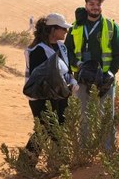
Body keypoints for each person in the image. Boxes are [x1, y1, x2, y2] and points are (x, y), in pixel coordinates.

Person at [65, 0, 119, 148]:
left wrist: (110, 73)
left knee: (106, 117)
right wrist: (78, 65)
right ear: (85, 5)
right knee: (83, 117)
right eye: (91, 4)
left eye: (98, 4)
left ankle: (109, 153)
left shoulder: (112, 27)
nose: (95, 7)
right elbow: (67, 51)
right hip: (81, 79)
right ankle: (84, 152)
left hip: (105, 80)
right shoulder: (75, 28)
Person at [21, 13, 78, 163]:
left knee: (59, 126)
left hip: (60, 94)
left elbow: (66, 69)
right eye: (63, 29)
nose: (66, 32)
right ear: (53, 29)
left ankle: (58, 163)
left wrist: (72, 81)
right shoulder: (38, 50)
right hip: (41, 97)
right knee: (45, 128)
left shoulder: (62, 47)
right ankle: (26, 164)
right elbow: (39, 77)